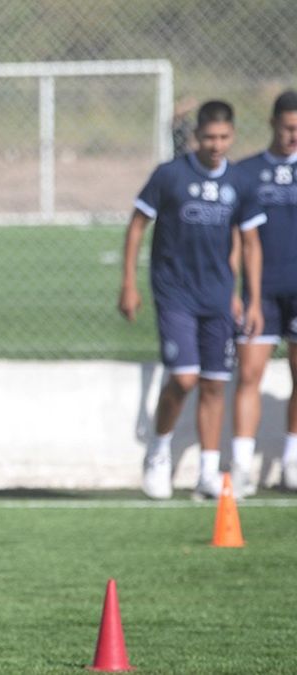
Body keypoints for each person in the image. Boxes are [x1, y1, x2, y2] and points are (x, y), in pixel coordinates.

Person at [119, 100, 265, 500]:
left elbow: (251, 243)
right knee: (184, 378)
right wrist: (128, 283)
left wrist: (250, 299)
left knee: (215, 384)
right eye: (208, 137)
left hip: (218, 297)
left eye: (223, 137)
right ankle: (159, 452)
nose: (216, 144)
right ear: (196, 136)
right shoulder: (170, 176)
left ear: (232, 136)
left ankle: (206, 472)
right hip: (175, 293)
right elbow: (136, 226)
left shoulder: (240, 181)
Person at [231, 90, 297, 494]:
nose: (295, 135)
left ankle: (292, 460)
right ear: (273, 124)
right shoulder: (246, 172)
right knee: (249, 374)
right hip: (260, 292)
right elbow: (237, 238)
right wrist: (233, 290)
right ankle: (239, 466)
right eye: (289, 127)